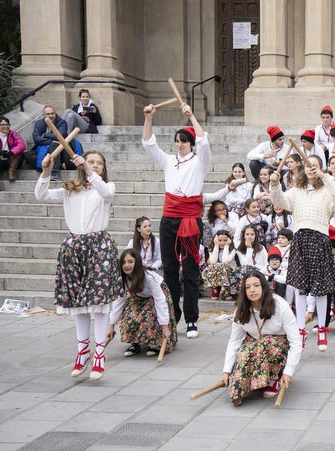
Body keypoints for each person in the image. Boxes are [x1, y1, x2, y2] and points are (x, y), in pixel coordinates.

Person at [35, 150, 122, 380]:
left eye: (99, 163)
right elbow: (41, 195)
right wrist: (46, 171)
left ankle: (100, 354)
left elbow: (105, 191)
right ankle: (83, 351)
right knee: (79, 302)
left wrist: (89, 170)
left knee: (99, 302)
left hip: (99, 247)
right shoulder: (69, 190)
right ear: (80, 164)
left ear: (103, 168)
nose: (95, 165)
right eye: (91, 161)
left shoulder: (106, 188)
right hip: (74, 248)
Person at [142, 101, 208, 339]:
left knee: (189, 270)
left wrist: (191, 116)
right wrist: (149, 118)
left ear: (191, 143)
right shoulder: (169, 161)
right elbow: (149, 144)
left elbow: (204, 142)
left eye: (184, 141)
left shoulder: (199, 161)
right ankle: (172, 316)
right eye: (177, 141)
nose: (180, 144)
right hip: (169, 218)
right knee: (169, 269)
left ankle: (191, 320)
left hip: (189, 219)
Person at [269, 159, 335, 351]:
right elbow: (280, 201)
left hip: (320, 240)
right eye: (308, 166)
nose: (311, 169)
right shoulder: (297, 189)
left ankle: (322, 329)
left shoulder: (326, 189)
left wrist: (324, 177)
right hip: (300, 239)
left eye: (315, 166)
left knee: (321, 289)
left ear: (320, 168)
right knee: (300, 288)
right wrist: (274, 185)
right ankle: (301, 330)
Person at [220, 270, 302, 406]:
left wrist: (288, 372)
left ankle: (274, 377)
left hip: (279, 344)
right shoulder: (241, 310)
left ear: (264, 287)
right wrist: (226, 371)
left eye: (256, 285)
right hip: (254, 342)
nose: (252, 290)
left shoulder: (280, 305)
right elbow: (234, 341)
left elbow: (296, 341)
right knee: (244, 354)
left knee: (265, 345)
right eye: (248, 287)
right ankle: (242, 387)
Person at [108, 249, 175, 358]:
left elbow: (160, 300)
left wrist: (165, 326)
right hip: (138, 296)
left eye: (130, 262)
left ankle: (154, 344)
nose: (127, 265)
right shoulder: (122, 279)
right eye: (124, 262)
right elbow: (119, 301)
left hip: (156, 296)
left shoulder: (148, 277)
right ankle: (135, 343)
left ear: (137, 263)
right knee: (129, 314)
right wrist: (112, 325)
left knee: (148, 315)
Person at [32, 105, 78, 180]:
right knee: (27, 155)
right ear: (43, 115)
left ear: (55, 113)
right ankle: (55, 165)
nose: (50, 116)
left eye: (52, 113)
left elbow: (60, 136)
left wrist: (45, 135)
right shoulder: (38, 123)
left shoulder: (62, 123)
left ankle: (55, 171)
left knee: (55, 145)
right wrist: (50, 141)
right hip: (45, 149)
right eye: (48, 114)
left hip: (62, 150)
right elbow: (36, 138)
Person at [0, 116, 25, 191]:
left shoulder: (13, 134)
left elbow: (21, 145)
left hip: (13, 161)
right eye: (3, 125)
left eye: (7, 124)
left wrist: (11, 152)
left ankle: (11, 173)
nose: (6, 126)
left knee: (17, 151)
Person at [202, 230, 239, 300]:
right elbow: (213, 261)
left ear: (229, 240)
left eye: (225, 240)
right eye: (220, 240)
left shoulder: (232, 249)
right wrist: (216, 246)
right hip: (218, 274)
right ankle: (215, 288)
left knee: (223, 266)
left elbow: (225, 261)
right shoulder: (212, 248)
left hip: (230, 272)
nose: (222, 243)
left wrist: (227, 246)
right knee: (212, 267)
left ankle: (226, 290)